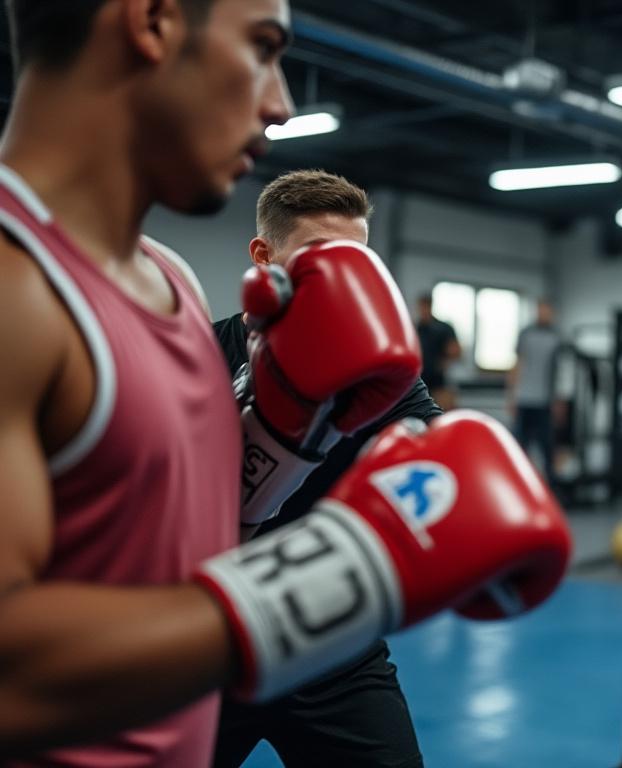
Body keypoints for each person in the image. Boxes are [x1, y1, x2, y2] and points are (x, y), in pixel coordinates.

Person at [0, 2, 570, 764]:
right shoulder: (15, 294)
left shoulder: (168, 281)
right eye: (263, 48)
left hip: (240, 680)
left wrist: (280, 439)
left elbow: (176, 547)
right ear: (154, 19)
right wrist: (352, 566)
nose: (281, 103)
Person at [211, 169, 440, 767]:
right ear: (264, 256)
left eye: (355, 260)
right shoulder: (199, 355)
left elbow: (438, 452)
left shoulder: (378, 367)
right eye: (318, 258)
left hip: (331, 638)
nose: (339, 277)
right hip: (208, 644)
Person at [508, 299, 564, 485]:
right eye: (540, 310)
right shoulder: (525, 334)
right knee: (520, 448)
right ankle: (519, 484)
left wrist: (558, 400)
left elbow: (560, 371)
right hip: (524, 399)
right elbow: (518, 364)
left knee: (547, 448)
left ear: (551, 313)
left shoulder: (557, 337)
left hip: (545, 401)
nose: (543, 313)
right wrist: (512, 396)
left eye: (546, 310)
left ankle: (552, 488)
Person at [415, 293, 462, 410]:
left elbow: (456, 351)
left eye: (425, 306)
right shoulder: (415, 329)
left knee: (442, 414)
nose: (423, 310)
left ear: (430, 306)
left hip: (439, 382)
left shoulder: (443, 328)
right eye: (421, 307)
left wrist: (445, 362)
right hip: (419, 381)